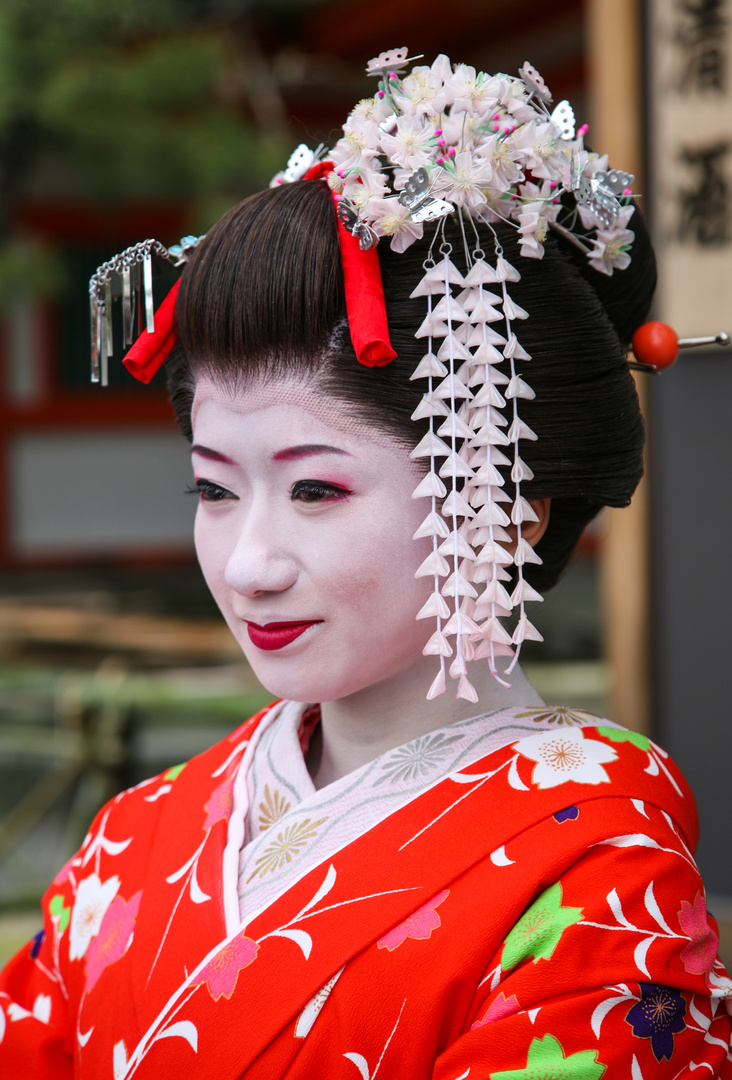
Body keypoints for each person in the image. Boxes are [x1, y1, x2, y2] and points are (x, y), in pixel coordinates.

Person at [1, 49, 730, 1079]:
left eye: (317, 491)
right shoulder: (140, 832)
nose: (248, 564)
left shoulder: (596, 859)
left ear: (509, 503)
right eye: (214, 489)